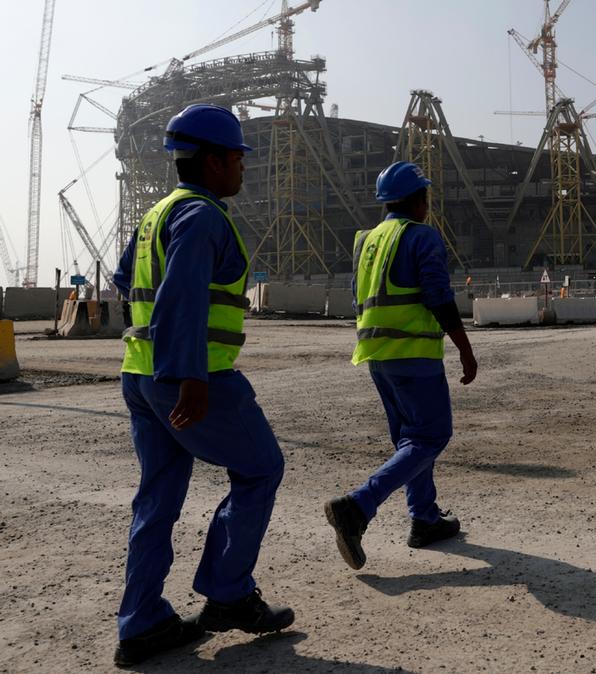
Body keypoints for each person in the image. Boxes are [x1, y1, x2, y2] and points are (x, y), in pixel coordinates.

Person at [112, 104, 293, 666]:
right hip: (194, 379)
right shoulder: (204, 216)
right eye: (238, 158)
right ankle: (228, 594)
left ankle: (141, 623)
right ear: (214, 162)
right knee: (261, 468)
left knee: (158, 497)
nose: (243, 168)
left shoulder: (156, 214)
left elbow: (126, 280)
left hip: (139, 375)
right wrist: (190, 376)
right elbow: (184, 294)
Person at [324, 161, 478, 570]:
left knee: (410, 440)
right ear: (418, 199)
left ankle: (424, 518)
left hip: (376, 354)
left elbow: (358, 297)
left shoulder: (367, 240)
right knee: (430, 437)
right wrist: (464, 347)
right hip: (414, 354)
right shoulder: (420, 236)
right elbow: (438, 297)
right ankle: (358, 506)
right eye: (426, 195)